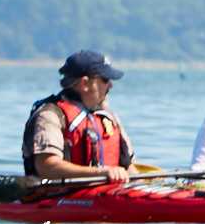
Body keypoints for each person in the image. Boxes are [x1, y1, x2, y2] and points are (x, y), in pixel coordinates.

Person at [21, 50, 137, 183]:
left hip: (106, 194)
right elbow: (46, 167)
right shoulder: (50, 115)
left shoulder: (108, 118)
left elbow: (129, 167)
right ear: (84, 84)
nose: (110, 85)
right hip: (57, 197)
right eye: (105, 79)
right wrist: (103, 172)